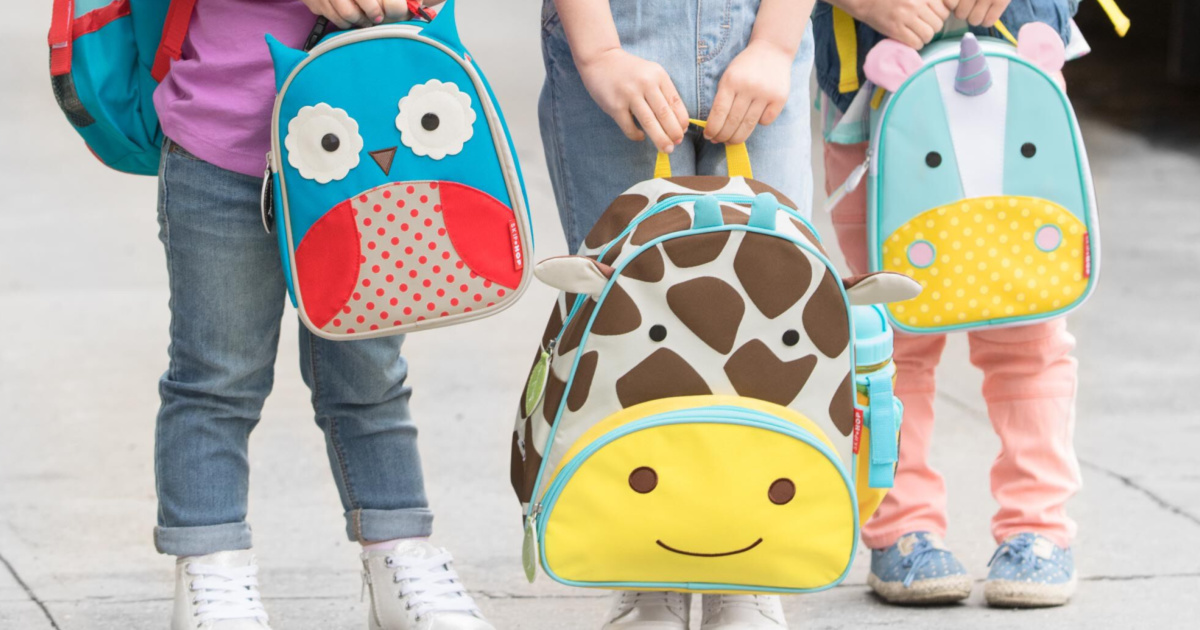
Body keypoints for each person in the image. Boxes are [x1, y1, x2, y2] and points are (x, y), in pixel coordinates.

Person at [150, 1, 492, 628]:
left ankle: (400, 557)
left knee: (369, 373)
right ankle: (210, 566)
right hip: (224, 142)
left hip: (374, 140)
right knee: (214, 377)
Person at [538, 0, 816, 627]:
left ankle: (747, 565)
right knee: (626, 321)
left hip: (763, 27)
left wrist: (775, 44)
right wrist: (598, 53)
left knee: (770, 314)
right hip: (613, 32)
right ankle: (648, 561)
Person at [814, 0, 1083, 608]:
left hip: (1016, 86)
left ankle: (1038, 528)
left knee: (1029, 327)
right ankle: (902, 527)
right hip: (873, 93)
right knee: (894, 331)